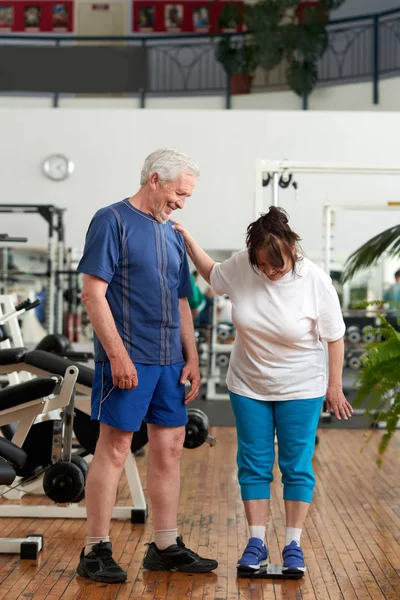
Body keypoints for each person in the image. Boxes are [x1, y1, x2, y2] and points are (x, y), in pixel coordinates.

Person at [172, 206, 353, 575]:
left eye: (277, 265)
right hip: (249, 383)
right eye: (262, 265)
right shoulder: (243, 264)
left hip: (302, 385)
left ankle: (292, 546)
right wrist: (188, 240)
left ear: (290, 249)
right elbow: (213, 275)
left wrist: (334, 387)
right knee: (252, 463)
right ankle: (255, 541)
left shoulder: (314, 279)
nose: (269, 272)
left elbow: (335, 337)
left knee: (296, 466)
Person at [75, 149, 218, 583]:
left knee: (170, 448)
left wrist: (191, 357)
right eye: (179, 192)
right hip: (129, 357)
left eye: (187, 195)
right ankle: (94, 549)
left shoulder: (172, 232)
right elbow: (92, 295)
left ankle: (164, 545)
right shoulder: (111, 220)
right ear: (155, 179)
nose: (182, 202)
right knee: (116, 447)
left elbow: (182, 302)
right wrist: (117, 355)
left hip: (169, 361)